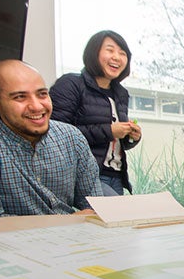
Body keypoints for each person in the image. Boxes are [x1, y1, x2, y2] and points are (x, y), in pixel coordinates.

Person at [0, 60, 103, 220]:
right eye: (20, 97)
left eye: (42, 94)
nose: (36, 106)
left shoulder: (72, 137)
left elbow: (95, 205)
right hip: (11, 244)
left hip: (75, 240)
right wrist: (64, 222)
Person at [50, 30, 141, 195]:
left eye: (122, 53)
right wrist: (109, 130)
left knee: (119, 219)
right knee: (121, 216)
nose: (117, 57)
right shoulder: (71, 84)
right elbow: (57, 134)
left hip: (116, 175)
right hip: (85, 174)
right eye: (110, 50)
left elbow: (117, 142)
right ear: (94, 52)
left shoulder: (120, 93)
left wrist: (132, 137)